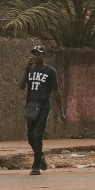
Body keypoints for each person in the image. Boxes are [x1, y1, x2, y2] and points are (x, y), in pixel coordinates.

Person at [21, 46, 58, 176]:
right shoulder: (30, 70)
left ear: (43, 55)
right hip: (31, 107)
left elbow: (56, 91)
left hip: (43, 107)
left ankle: (36, 166)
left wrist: (61, 111)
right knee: (30, 138)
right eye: (34, 54)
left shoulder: (50, 71)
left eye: (39, 54)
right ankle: (40, 155)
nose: (36, 56)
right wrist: (25, 69)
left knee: (37, 136)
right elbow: (21, 86)